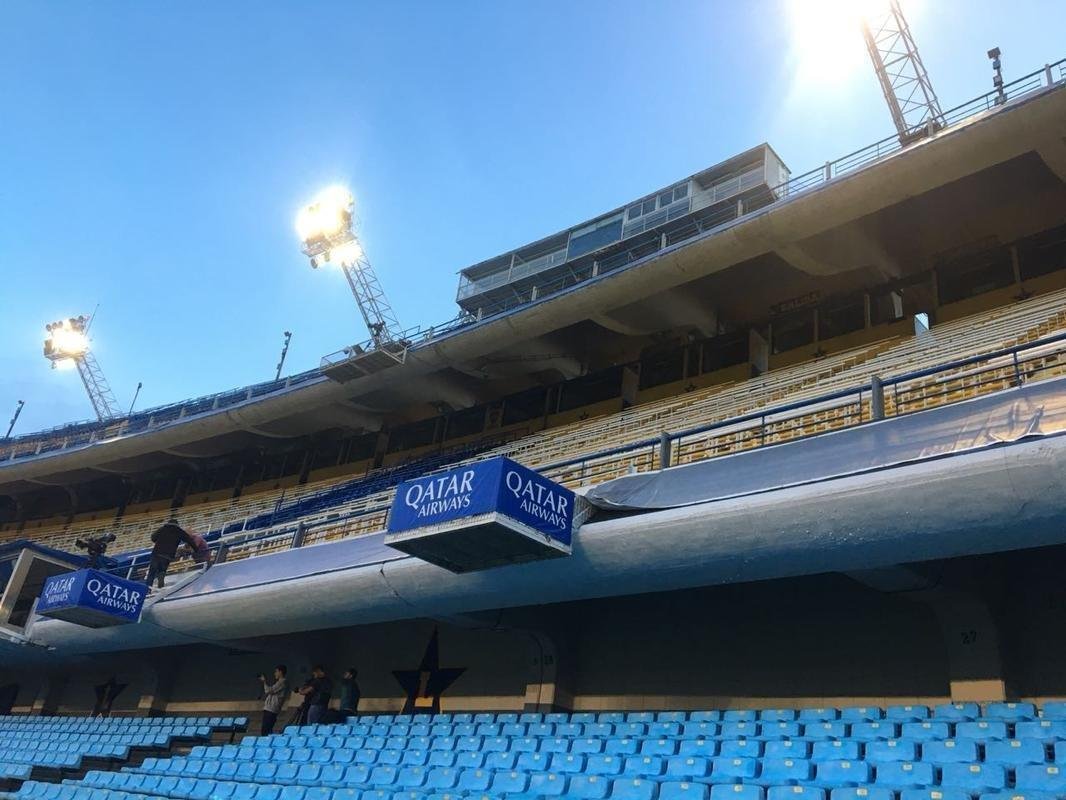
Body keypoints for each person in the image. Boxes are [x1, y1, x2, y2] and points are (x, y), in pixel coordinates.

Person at [145, 517, 194, 589]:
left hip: (157, 553)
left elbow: (153, 538)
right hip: (168, 555)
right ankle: (160, 585)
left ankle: (147, 589)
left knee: (152, 572)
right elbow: (187, 541)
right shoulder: (178, 532)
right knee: (162, 571)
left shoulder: (163, 529)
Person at [258, 665, 289, 736]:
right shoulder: (279, 682)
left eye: (276, 671)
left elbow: (269, 690)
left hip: (272, 709)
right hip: (269, 708)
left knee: (266, 729)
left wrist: (264, 681)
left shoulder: (282, 682)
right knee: (265, 728)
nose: (275, 674)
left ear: (280, 672)